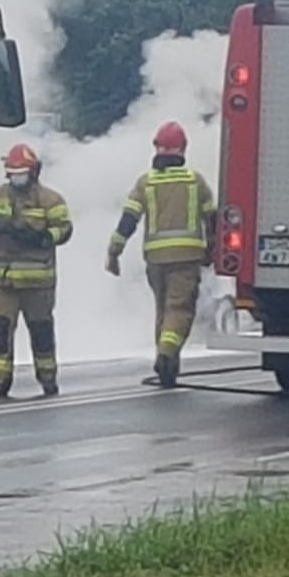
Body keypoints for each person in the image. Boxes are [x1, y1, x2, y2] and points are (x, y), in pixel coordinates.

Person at [105, 120, 216, 388]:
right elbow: (212, 220)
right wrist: (213, 251)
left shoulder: (146, 183)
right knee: (179, 310)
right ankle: (167, 355)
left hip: (155, 260)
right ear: (183, 149)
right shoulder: (195, 181)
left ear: (157, 149)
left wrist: (114, 252)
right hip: (187, 258)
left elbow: (128, 220)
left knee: (163, 312)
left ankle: (167, 366)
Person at [0, 142, 72, 398]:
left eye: (22, 172)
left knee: (41, 331)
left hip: (38, 285)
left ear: (34, 172)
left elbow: (65, 228)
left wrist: (44, 236)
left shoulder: (50, 200)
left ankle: (48, 378)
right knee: (0, 329)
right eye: (13, 173)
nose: (17, 178)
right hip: (3, 283)